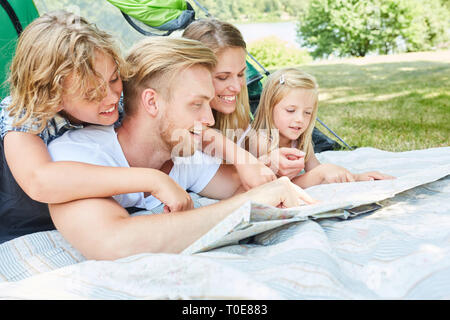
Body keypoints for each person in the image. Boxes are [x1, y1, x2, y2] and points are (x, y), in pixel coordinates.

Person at [0, 11, 271, 244]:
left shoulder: (113, 102)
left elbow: (192, 128)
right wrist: (152, 179)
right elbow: (40, 181)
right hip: (21, 208)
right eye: (91, 93)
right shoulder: (25, 112)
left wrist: (242, 158)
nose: (109, 97)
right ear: (53, 94)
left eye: (114, 79)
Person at [47, 37, 316, 260]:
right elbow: (113, 243)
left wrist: (268, 174)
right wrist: (247, 204)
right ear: (152, 103)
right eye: (196, 105)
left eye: (208, 105)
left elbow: (244, 187)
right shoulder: (77, 155)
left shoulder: (183, 155)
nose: (209, 121)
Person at [182, 18, 305, 179]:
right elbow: (200, 133)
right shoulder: (178, 118)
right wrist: (245, 159)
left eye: (241, 74)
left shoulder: (232, 117)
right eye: (223, 77)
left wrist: (275, 158)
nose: (237, 87)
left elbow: (261, 147)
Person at [248, 67, 394, 188]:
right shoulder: (261, 141)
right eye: (291, 110)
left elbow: (316, 170)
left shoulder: (301, 142)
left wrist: (356, 178)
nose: (300, 119)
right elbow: (274, 187)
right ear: (269, 108)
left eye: (307, 113)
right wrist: (320, 174)